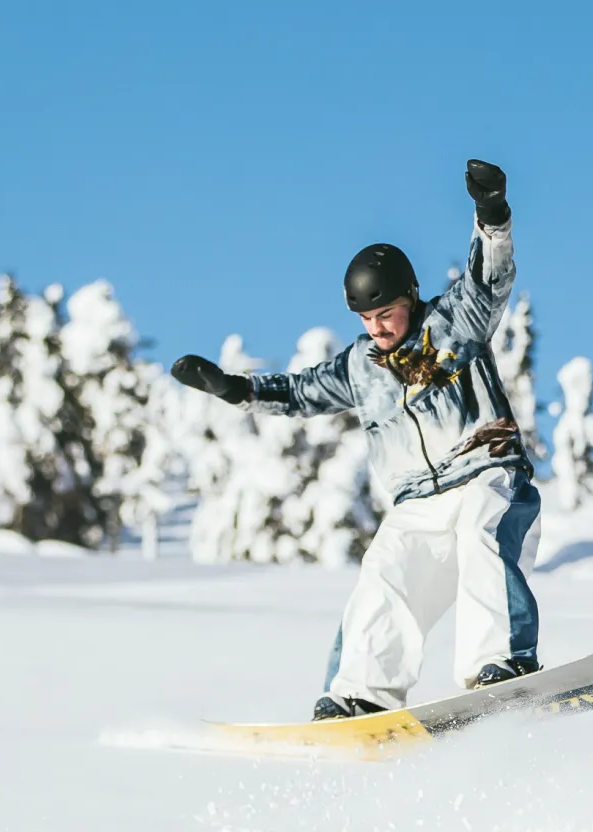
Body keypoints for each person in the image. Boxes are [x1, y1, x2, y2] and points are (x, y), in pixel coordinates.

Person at [171, 160, 543, 721]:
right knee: (384, 575)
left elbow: (490, 275)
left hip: (487, 474)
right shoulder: (360, 367)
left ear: (411, 297)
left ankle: (503, 665)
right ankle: (360, 696)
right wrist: (234, 389)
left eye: (386, 313)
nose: (378, 328)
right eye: (367, 318)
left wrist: (491, 213)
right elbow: (300, 392)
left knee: (481, 539)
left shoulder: (456, 322)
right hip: (416, 503)